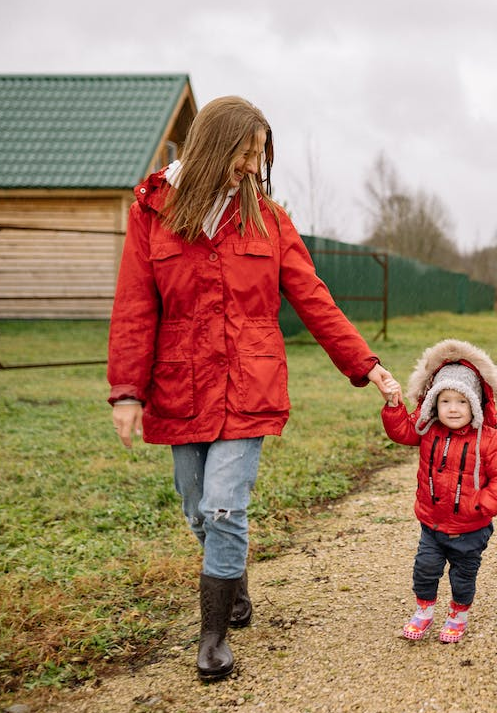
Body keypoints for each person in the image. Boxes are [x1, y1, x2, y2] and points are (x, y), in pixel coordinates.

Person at [107, 96, 398, 680]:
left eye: (258, 155)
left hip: (249, 384)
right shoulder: (153, 213)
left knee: (222, 504)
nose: (250, 166)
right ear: (215, 146)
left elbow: (315, 300)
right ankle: (232, 579)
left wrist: (366, 365)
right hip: (181, 385)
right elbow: (136, 305)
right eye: (244, 152)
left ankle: (212, 637)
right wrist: (127, 390)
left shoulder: (269, 219)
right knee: (197, 507)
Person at [381, 339, 497, 643]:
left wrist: (480, 506)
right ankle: (424, 610)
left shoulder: (490, 439)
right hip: (433, 522)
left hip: (471, 527)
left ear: (475, 404)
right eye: (445, 401)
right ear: (434, 404)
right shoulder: (429, 429)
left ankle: (458, 613)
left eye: (462, 401)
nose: (453, 409)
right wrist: (393, 406)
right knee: (425, 569)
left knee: (463, 575)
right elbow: (402, 431)